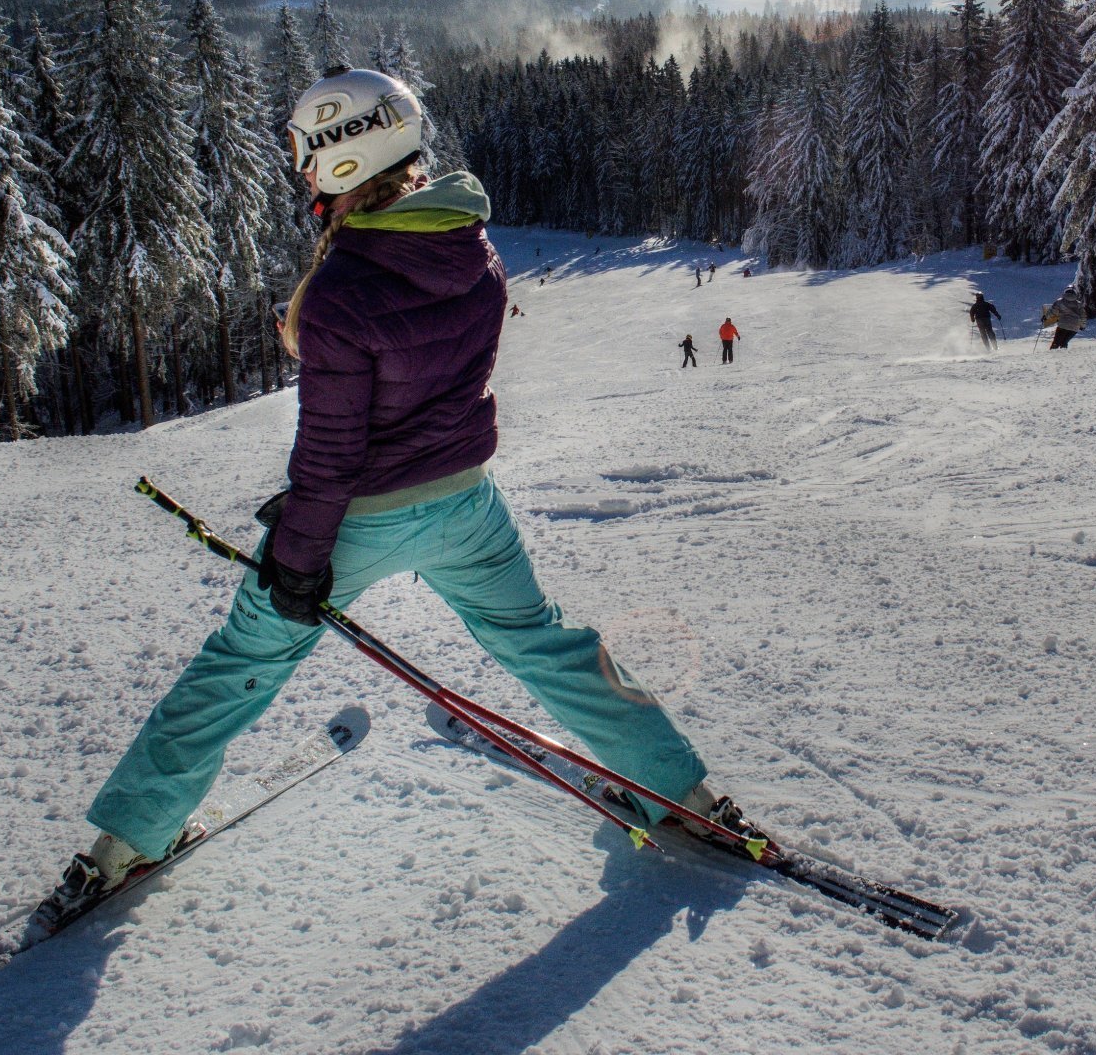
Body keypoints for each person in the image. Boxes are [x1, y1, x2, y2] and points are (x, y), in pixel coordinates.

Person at [63, 68, 753, 904]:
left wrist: (298, 558)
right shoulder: (471, 245)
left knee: (239, 662)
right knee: (542, 641)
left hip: (362, 518)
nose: (298, 170)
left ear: (339, 158)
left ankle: (127, 841)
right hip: (466, 506)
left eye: (302, 153)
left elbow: (330, 451)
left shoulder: (339, 294)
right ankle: (683, 792)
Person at [1043, 281, 1087, 348]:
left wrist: (1046, 317)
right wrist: (1083, 326)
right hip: (1075, 326)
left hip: (1063, 324)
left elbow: (1053, 311)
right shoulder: (1079, 304)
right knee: (1064, 342)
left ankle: (1052, 356)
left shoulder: (1060, 301)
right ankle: (1063, 355)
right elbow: (1083, 316)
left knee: (1056, 342)